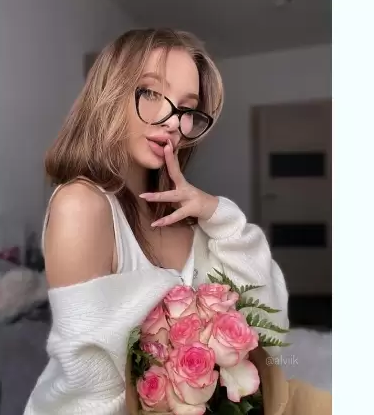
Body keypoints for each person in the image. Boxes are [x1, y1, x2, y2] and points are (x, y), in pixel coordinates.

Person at [24, 28, 290, 415]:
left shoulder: (192, 220)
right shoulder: (81, 206)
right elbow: (91, 394)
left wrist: (217, 214)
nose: (172, 122)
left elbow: (268, 321)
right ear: (109, 93)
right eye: (150, 92)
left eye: (187, 109)